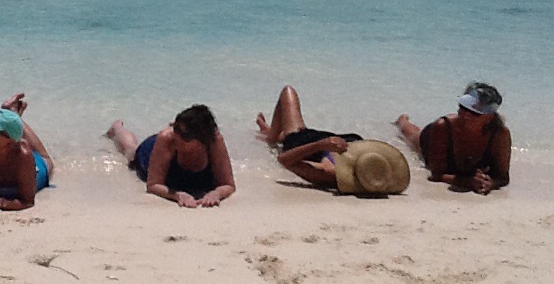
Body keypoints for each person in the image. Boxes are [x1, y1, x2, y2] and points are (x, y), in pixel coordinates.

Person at [256, 86, 409, 195]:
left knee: (288, 92)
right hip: (328, 138)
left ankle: (270, 137)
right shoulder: (378, 169)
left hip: (302, 141)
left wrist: (320, 145)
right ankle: (271, 132)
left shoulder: (330, 174)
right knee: (287, 126)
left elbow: (284, 160)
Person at [106, 104, 236, 208]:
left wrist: (216, 194)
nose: (177, 137)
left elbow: (228, 184)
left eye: (185, 136)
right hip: (154, 151)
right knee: (131, 153)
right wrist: (177, 195)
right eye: (176, 128)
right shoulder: (168, 137)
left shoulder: (214, 141)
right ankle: (117, 129)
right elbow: (153, 184)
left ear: (202, 141)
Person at [395, 82, 510, 195]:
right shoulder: (443, 127)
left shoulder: (500, 134)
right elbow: (436, 174)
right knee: (411, 135)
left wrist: (491, 183)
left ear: (490, 117)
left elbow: (503, 177)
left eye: (475, 113)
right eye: (463, 107)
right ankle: (402, 120)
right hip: (432, 138)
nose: (466, 114)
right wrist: (469, 182)